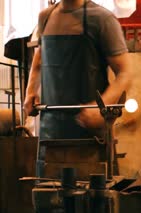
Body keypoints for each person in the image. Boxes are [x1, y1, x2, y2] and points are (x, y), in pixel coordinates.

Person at [23, 0, 131, 176]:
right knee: (49, 195)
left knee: (92, 198)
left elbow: (125, 73)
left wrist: (100, 107)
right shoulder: (46, 17)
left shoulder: (102, 20)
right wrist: (30, 92)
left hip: (89, 137)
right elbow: (39, 57)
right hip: (51, 134)